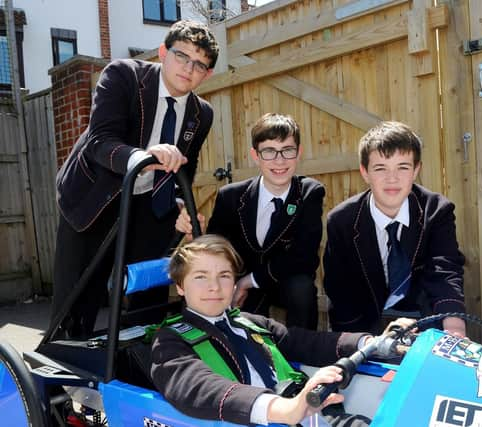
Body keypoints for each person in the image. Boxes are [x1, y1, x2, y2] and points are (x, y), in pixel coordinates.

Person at [52, 20, 219, 338]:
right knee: (79, 298)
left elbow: (185, 167)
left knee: (150, 291)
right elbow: (99, 141)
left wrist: (181, 205)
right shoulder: (123, 76)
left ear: (207, 74)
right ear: (162, 53)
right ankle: (59, 375)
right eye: (181, 56)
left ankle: (135, 364)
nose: (188, 68)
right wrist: (143, 156)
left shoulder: (202, 114)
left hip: (147, 203)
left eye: (199, 64)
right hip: (94, 196)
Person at [151, 234, 408, 425]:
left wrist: (373, 342)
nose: (214, 287)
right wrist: (285, 409)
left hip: (310, 413)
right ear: (180, 286)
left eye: (224, 276)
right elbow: (197, 387)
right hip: (264, 416)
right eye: (200, 277)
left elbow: (308, 342)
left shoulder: (249, 322)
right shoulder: (170, 341)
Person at [176, 113, 325, 329]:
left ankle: (301, 354)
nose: (279, 160)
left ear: (298, 153)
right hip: (240, 282)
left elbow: (304, 257)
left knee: (301, 287)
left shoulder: (310, 192)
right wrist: (194, 237)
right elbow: (216, 247)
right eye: (269, 152)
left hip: (282, 281)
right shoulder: (231, 196)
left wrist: (249, 281)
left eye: (288, 150)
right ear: (255, 156)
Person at [322, 121, 466, 336]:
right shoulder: (341, 221)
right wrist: (361, 344)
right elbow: (339, 289)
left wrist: (454, 327)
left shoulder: (437, 211)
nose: (392, 178)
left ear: (416, 170)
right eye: (380, 168)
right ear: (364, 172)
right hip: (365, 322)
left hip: (423, 316)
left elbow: (444, 270)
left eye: (403, 167)